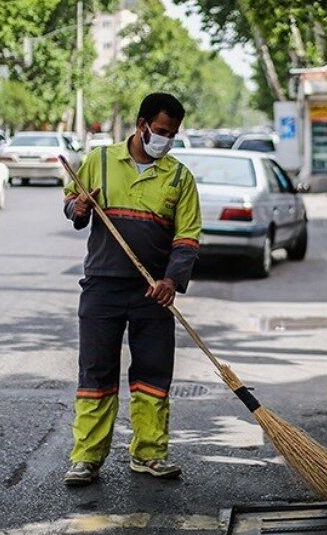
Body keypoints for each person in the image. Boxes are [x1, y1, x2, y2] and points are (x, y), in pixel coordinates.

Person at [62, 93, 201, 485]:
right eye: (160, 131)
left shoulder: (179, 177)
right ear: (141, 125)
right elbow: (71, 202)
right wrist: (80, 209)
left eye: (172, 134)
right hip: (102, 287)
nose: (166, 140)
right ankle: (86, 458)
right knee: (96, 374)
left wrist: (171, 281)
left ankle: (150, 455)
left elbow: (188, 237)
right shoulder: (100, 161)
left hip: (153, 292)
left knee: (153, 376)